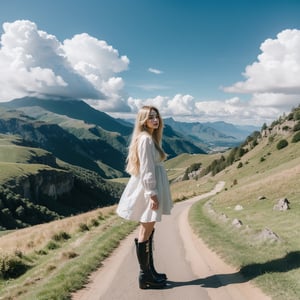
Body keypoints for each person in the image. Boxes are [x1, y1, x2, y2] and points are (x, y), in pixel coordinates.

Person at [116, 105, 173, 289]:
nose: (155, 120)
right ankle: (145, 276)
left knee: (148, 230)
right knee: (145, 231)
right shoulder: (146, 140)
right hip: (149, 190)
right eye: (150, 117)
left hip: (149, 188)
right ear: (143, 120)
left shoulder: (147, 138)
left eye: (156, 116)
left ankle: (150, 271)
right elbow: (148, 169)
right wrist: (152, 194)